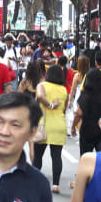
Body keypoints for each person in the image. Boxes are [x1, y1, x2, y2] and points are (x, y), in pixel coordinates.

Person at [33, 64, 68, 192]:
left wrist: (51, 105)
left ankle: (35, 182)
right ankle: (55, 185)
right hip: (59, 124)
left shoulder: (41, 86)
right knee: (56, 156)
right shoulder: (64, 89)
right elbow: (64, 108)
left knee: (38, 156)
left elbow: (40, 97)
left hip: (43, 124)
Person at [72, 68, 101, 155]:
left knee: (85, 157)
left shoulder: (86, 94)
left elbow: (79, 113)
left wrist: (73, 126)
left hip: (87, 129)